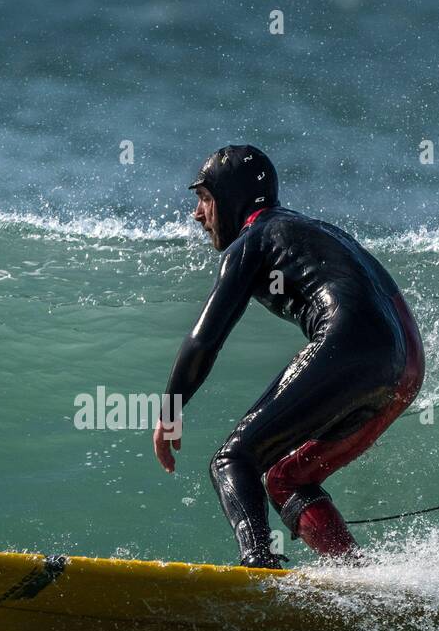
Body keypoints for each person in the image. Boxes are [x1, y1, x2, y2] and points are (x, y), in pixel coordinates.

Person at [152, 145, 424, 568]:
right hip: (402, 363)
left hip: (351, 343)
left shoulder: (254, 239)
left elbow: (204, 340)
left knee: (233, 460)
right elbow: (389, 302)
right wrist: (398, 370)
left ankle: (260, 567)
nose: (197, 214)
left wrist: (170, 409)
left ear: (231, 198)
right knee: (286, 477)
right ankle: (356, 575)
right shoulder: (318, 231)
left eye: (205, 199)